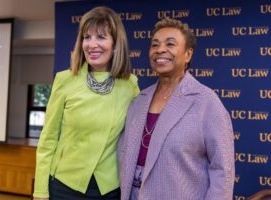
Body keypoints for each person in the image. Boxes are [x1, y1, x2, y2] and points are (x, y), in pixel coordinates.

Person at [118, 18, 235, 200]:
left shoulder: (206, 102)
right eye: (154, 45)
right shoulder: (139, 100)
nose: (160, 50)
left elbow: (223, 170)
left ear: (188, 54)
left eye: (170, 44)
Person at [33, 6, 139, 200]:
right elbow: (47, 141)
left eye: (101, 37)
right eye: (86, 37)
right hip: (64, 186)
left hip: (109, 189)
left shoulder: (130, 86)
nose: (92, 44)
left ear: (116, 44)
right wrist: (40, 193)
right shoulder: (65, 80)